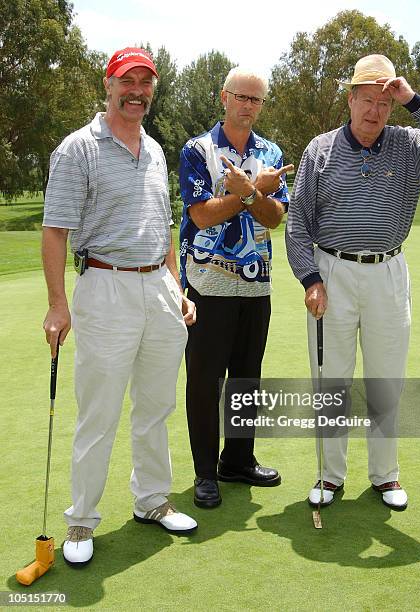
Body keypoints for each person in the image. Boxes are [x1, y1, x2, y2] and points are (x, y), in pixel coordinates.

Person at [286, 54, 420, 511]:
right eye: (367, 100)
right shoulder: (320, 150)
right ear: (350, 100)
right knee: (332, 378)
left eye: (384, 103)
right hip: (332, 271)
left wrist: (414, 101)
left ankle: (385, 476)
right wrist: (310, 278)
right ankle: (329, 476)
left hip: (388, 272)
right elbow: (297, 223)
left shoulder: (411, 145)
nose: (374, 111)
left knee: (387, 378)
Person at [42, 47, 198, 566]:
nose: (137, 91)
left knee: (156, 406)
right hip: (105, 285)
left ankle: (152, 499)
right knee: (100, 412)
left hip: (158, 287)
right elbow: (55, 230)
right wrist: (57, 305)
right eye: (127, 80)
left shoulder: (153, 149)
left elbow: (166, 226)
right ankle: (82, 519)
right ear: (108, 85)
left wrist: (177, 287)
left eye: (145, 82)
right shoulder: (77, 149)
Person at [179, 67, 293, 508]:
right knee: (205, 382)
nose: (248, 105)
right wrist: (250, 191)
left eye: (256, 100)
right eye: (241, 97)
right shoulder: (198, 150)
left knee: (246, 378)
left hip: (255, 284)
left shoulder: (271, 152)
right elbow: (202, 215)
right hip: (207, 284)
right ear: (223, 96)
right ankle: (206, 473)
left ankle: (238, 460)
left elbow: (274, 217)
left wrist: (250, 194)